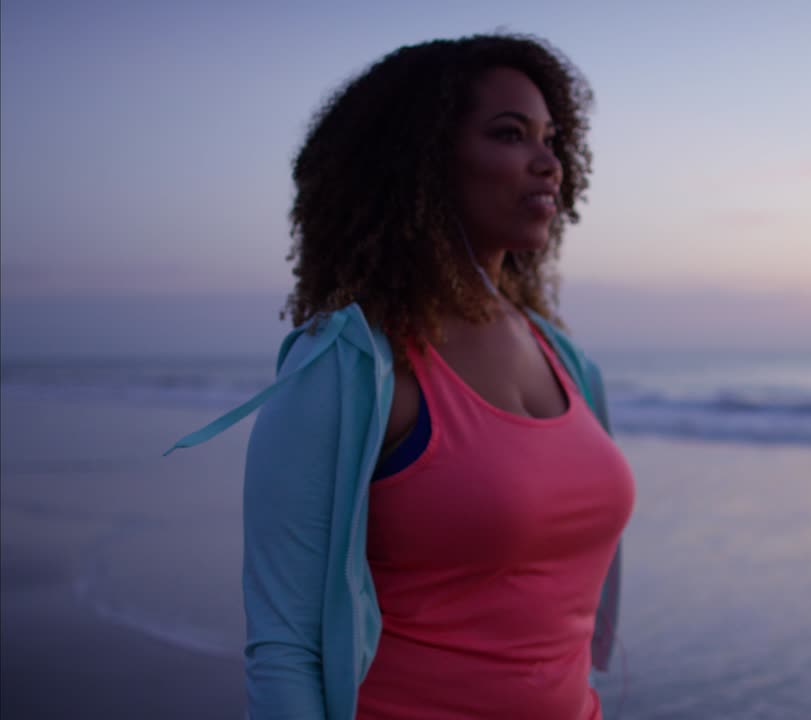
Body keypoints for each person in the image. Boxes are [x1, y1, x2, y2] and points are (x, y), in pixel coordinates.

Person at [168, 34, 634, 720]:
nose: (549, 164)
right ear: (422, 163)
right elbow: (285, 647)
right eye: (511, 135)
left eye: (553, 140)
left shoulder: (568, 360)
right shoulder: (352, 366)